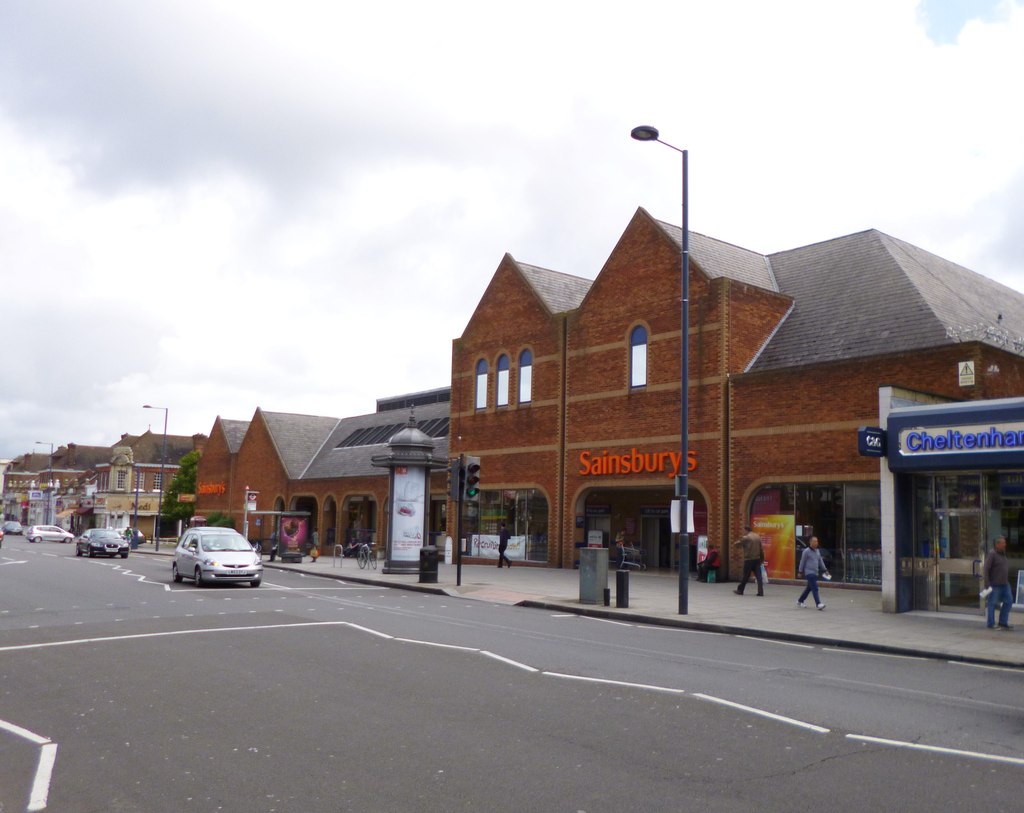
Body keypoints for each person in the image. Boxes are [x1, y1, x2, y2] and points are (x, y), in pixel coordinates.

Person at [983, 535, 1013, 630]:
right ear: (997, 544)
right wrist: (987, 583)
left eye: (1005, 542)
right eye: (1003, 543)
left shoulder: (1003, 553)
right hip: (995, 584)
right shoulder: (992, 554)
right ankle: (991, 623)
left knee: (1009, 601)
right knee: (992, 603)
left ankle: (1003, 622)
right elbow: (986, 569)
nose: (1005, 544)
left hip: (1005, 583)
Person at [797, 536, 829, 610]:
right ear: (810, 542)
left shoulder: (817, 551)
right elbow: (802, 561)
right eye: (814, 541)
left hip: (815, 572)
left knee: (809, 588)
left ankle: (800, 600)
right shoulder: (806, 551)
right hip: (809, 573)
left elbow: (820, 561)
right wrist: (800, 571)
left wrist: (825, 570)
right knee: (815, 588)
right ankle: (818, 604)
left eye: (817, 541)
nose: (816, 543)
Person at [732, 524, 764, 596]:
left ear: (746, 530)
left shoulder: (746, 537)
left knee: (745, 576)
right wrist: (762, 559)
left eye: (743, 530)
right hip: (757, 559)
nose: (743, 532)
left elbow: (737, 544)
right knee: (759, 577)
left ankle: (740, 590)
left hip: (749, 560)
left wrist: (736, 544)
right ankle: (760, 591)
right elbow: (761, 549)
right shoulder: (757, 536)